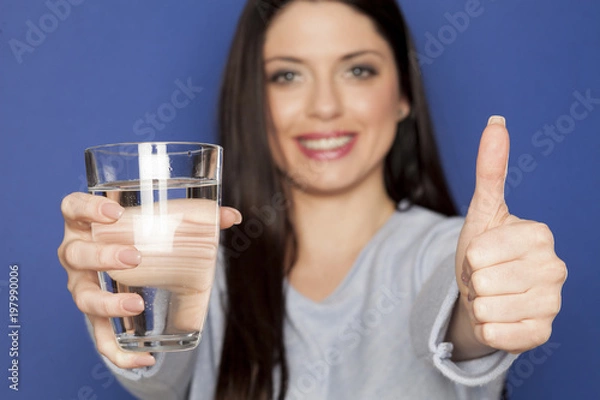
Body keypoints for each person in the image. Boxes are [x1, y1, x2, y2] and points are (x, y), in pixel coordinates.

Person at [57, 0, 567, 399]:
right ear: (254, 99)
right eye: (287, 75)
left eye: (358, 70)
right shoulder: (201, 262)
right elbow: (156, 375)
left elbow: (455, 312)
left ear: (403, 94)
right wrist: (120, 301)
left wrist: (485, 305)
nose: (325, 106)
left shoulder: (451, 253)